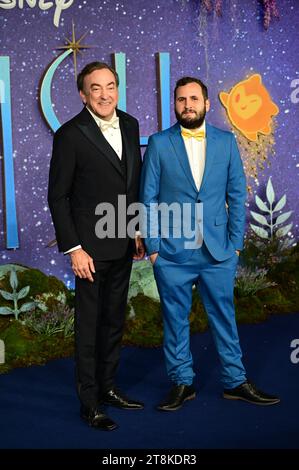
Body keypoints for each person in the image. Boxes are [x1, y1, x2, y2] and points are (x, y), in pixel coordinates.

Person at [140, 76, 280, 411]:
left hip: (218, 251)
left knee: (225, 317)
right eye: (181, 100)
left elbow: (236, 194)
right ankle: (181, 382)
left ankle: (235, 380)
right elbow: (147, 199)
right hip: (172, 253)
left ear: (206, 103)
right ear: (174, 105)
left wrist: (234, 246)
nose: (187, 105)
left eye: (193, 99)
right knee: (175, 320)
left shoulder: (226, 141)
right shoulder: (159, 144)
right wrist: (154, 248)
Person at [48, 62, 145, 431]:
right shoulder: (70, 134)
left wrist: (135, 230)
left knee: (113, 322)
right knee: (88, 327)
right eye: (96, 89)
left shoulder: (132, 124)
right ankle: (90, 402)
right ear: (82, 94)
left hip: (122, 243)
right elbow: (58, 196)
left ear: (117, 88)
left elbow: (130, 185)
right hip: (88, 251)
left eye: (110, 86)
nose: (105, 95)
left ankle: (108, 388)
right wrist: (74, 248)